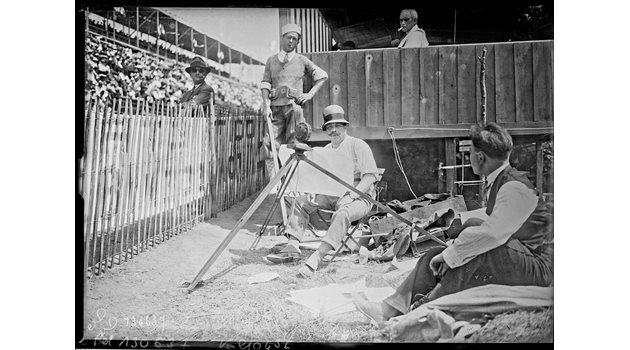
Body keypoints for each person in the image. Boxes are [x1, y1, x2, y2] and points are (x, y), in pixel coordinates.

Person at [352, 122, 553, 325]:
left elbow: (493, 234)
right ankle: (388, 310)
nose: (469, 157)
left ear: (480, 157)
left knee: (477, 254)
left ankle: (421, 312)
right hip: (520, 255)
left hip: (539, 267)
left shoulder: (514, 187)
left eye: (470, 153)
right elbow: (491, 220)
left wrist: (451, 255)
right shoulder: (501, 180)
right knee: (433, 254)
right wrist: (454, 240)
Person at [265, 105, 379, 278]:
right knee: (297, 200)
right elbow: (320, 178)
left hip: (360, 197)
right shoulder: (326, 151)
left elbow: (370, 177)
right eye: (329, 127)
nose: (333, 131)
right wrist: (313, 189)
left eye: (337, 126)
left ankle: (317, 257)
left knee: (343, 212)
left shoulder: (358, 145)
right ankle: (293, 247)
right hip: (333, 193)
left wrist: (351, 195)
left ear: (345, 127)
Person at [259, 23, 328, 160]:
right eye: (289, 37)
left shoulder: (302, 60)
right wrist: (266, 106)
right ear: (282, 38)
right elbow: (265, 84)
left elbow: (322, 76)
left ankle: (293, 177)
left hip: (294, 109)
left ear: (298, 42)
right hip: (274, 109)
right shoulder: (271, 60)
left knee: (295, 144)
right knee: (268, 143)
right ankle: (275, 180)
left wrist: (309, 94)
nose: (291, 41)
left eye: (295, 39)